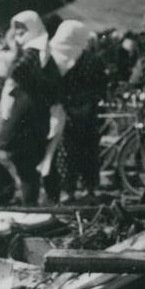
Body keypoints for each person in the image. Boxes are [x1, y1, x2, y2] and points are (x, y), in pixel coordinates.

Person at [0, 11, 60, 205]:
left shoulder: (32, 50)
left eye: (23, 28)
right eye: (17, 28)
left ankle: (30, 205)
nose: (18, 32)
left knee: (24, 162)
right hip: (35, 112)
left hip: (27, 113)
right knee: (30, 161)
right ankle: (36, 202)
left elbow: (15, 72)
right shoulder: (41, 50)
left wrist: (15, 54)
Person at [47, 20, 106, 201]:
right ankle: (89, 188)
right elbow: (101, 85)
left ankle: (68, 190)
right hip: (88, 112)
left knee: (66, 151)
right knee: (89, 150)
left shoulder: (52, 56)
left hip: (63, 111)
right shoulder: (91, 59)